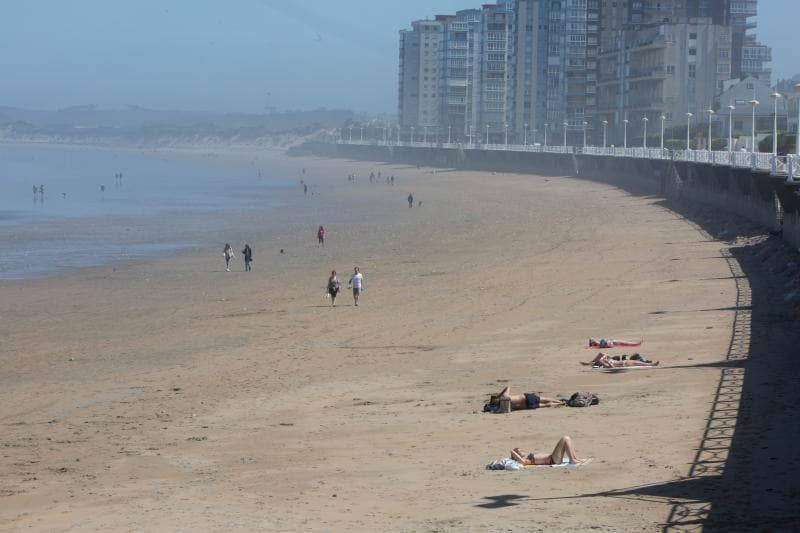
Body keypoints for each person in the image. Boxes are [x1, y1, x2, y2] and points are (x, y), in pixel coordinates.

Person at [510, 436, 588, 466]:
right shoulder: (525, 460)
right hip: (553, 460)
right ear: (517, 455)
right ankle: (572, 460)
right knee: (565, 438)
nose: (522, 450)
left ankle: (575, 459)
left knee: (568, 439)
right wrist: (512, 452)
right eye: (519, 451)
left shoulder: (527, 457)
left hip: (553, 458)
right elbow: (522, 462)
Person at [484, 386, 564, 412]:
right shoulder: (504, 396)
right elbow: (508, 387)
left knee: (546, 405)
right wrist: (499, 395)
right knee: (545, 399)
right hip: (526, 398)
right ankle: (561, 402)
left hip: (527, 406)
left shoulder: (504, 408)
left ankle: (560, 403)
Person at [581, 352, 659, 368]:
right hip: (623, 364)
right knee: (638, 363)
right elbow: (611, 368)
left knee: (638, 362)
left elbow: (601, 353)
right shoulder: (605, 364)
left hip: (623, 362)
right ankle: (652, 364)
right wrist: (607, 361)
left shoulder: (607, 360)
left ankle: (652, 364)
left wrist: (590, 363)